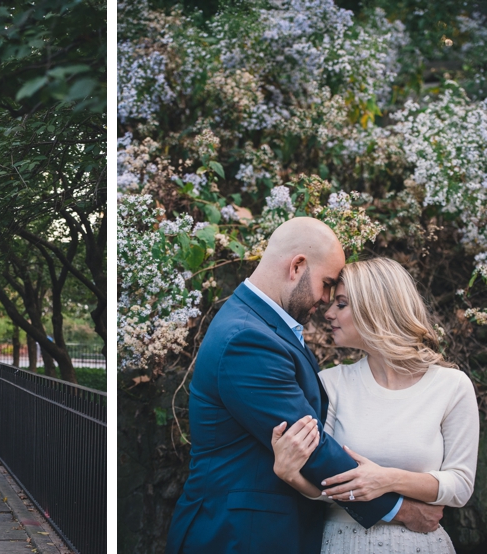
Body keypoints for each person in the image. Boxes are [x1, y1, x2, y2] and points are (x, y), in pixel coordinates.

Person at [165, 217, 442, 554]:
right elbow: (310, 444)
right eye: (326, 284)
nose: (327, 300)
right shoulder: (247, 339)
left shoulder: (260, 326)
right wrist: (402, 509)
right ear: (297, 266)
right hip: (238, 535)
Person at [270, 257, 479, 553]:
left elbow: (460, 486)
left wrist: (387, 479)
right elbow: (326, 484)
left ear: (377, 307)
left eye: (341, 304)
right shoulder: (331, 383)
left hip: (420, 545)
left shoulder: (452, 386)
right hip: (341, 541)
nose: (328, 314)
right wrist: (293, 476)